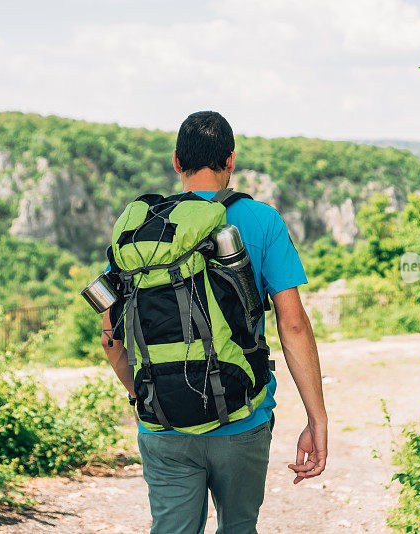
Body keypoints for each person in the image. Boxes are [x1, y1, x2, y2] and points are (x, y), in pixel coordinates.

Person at [101, 111, 327, 534]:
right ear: (231, 161)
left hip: (163, 423)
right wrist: (317, 419)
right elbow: (292, 325)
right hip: (242, 420)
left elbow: (111, 341)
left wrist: (144, 395)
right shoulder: (260, 220)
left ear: (175, 162)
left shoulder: (141, 233)